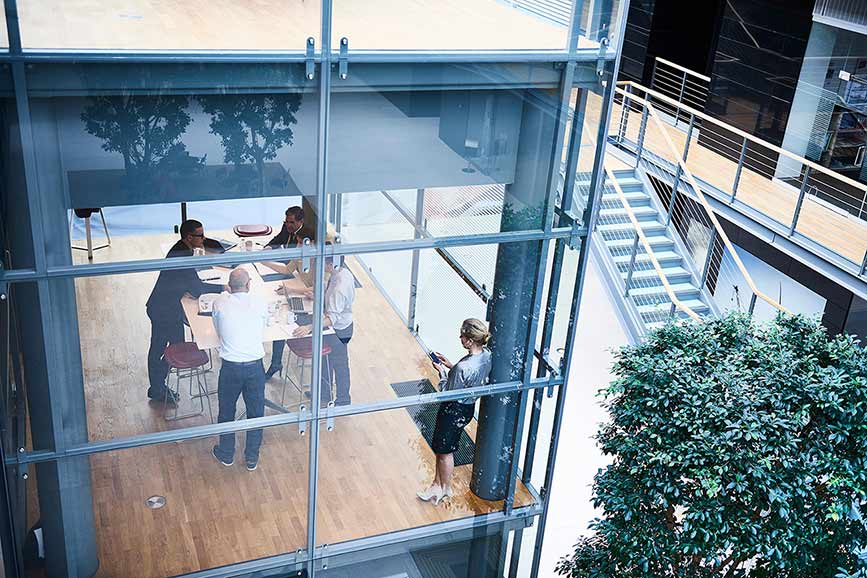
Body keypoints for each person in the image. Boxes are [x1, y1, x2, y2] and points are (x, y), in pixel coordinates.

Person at [417, 318, 492, 506]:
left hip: (452, 409)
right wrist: (451, 367)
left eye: (462, 335)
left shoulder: (463, 367)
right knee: (445, 448)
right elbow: (471, 380)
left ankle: (443, 487)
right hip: (467, 408)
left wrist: (441, 372)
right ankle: (438, 484)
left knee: (444, 451)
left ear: (469, 340)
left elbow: (446, 392)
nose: (460, 338)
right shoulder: (486, 356)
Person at [145, 219, 221, 404]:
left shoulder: (182, 247)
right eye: (200, 235)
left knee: (172, 345)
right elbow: (196, 288)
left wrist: (204, 240)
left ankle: (156, 386)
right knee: (166, 349)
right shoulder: (182, 256)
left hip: (168, 307)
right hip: (164, 310)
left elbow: (214, 245)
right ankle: (156, 388)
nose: (204, 238)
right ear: (189, 237)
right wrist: (224, 287)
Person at [211, 268, 268, 471]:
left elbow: (218, 332)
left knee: (226, 412)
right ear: (249, 284)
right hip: (255, 367)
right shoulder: (260, 303)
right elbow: (264, 326)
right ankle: (251, 457)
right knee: (256, 413)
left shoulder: (219, 303)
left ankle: (226, 454)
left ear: (229, 285)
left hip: (231, 368)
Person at [292, 246, 355, 406]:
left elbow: (332, 318)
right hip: (337, 325)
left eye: (324, 261)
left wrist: (309, 328)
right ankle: (323, 394)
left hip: (339, 329)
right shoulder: (342, 272)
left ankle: (343, 401)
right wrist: (318, 296)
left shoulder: (340, 287)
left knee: (340, 365)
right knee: (325, 360)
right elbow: (331, 298)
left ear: (330, 264)